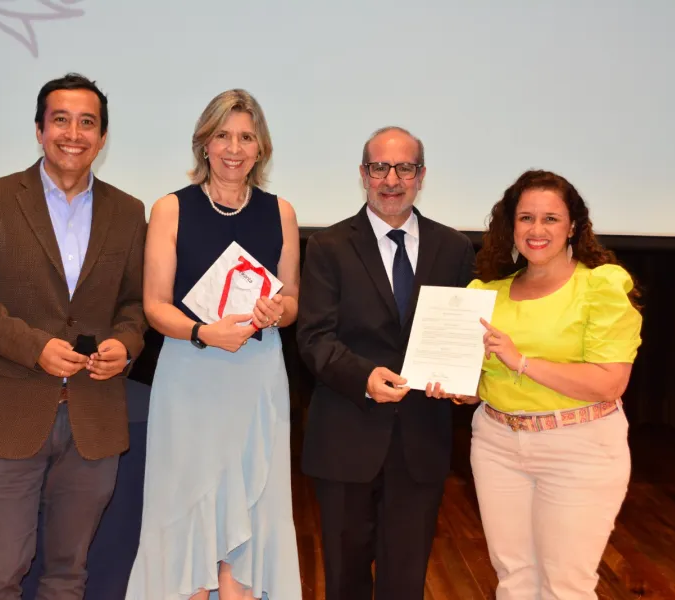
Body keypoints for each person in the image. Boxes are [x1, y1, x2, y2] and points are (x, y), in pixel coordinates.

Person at [0, 73, 148, 599]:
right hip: (5, 417)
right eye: (60, 120)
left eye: (87, 123)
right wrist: (35, 347)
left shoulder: (129, 212)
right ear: (39, 130)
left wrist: (126, 344)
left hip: (93, 420)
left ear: (103, 137)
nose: (73, 134)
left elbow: (133, 305)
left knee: (67, 578)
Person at [125, 89, 302, 600]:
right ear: (204, 142)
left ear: (261, 148)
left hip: (258, 375)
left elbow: (292, 301)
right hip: (191, 373)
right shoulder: (170, 208)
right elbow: (155, 306)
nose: (234, 148)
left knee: (252, 505)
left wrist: (276, 310)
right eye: (223, 135)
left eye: (246, 137)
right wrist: (204, 333)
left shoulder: (281, 212)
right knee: (187, 506)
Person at [434, 170, 643, 599]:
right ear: (511, 226)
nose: (537, 229)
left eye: (551, 218)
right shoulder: (486, 291)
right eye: (526, 218)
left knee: (565, 585)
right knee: (514, 578)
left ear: (573, 226)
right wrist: (459, 387)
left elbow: (610, 382)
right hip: (496, 445)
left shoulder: (600, 284)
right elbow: (483, 381)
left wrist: (523, 362)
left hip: (579, 448)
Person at [296, 126, 476, 600]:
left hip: (421, 441)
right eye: (380, 167)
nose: (391, 180)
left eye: (404, 168)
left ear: (421, 176)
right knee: (345, 582)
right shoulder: (328, 246)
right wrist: (364, 377)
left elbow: (463, 334)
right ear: (363, 174)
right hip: (346, 438)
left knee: (405, 583)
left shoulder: (454, 248)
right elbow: (314, 338)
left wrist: (463, 379)